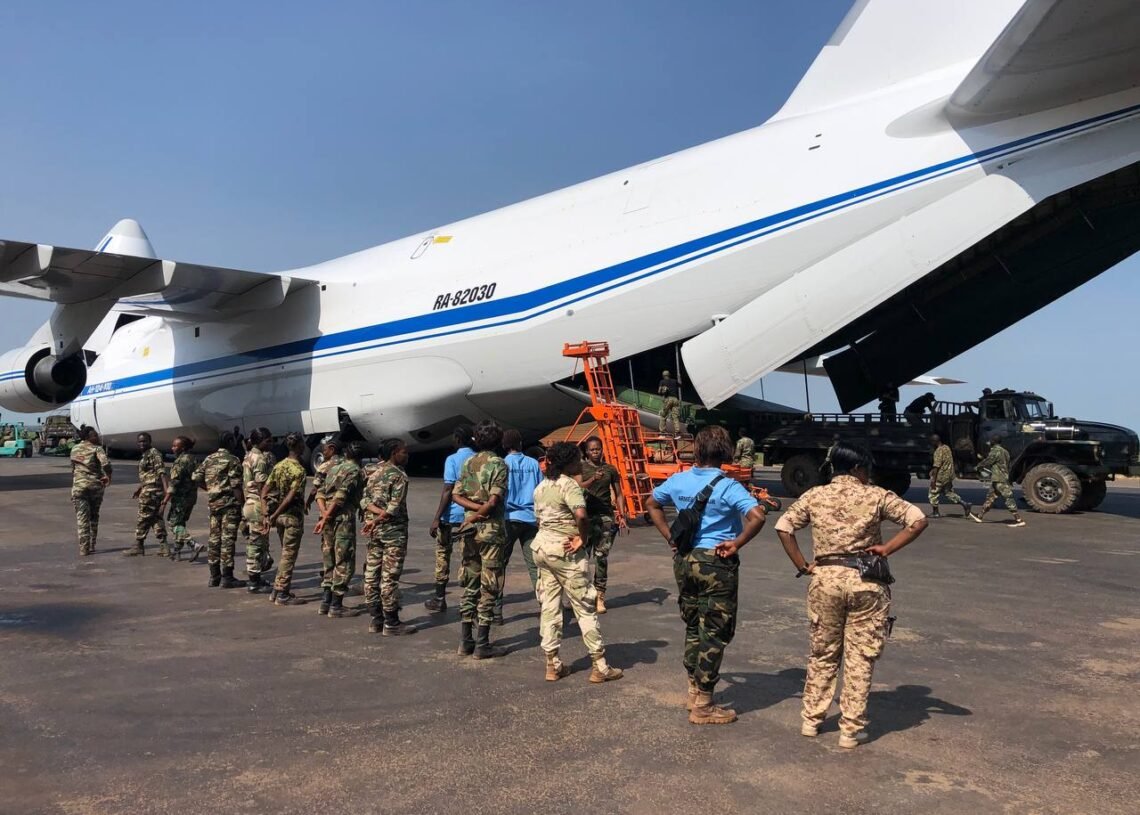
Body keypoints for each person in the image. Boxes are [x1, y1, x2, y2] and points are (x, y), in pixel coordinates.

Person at [774, 442, 929, 749]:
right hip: (866, 581)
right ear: (860, 468)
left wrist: (803, 565)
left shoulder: (815, 495)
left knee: (823, 653)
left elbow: (783, 527)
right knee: (860, 658)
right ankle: (850, 730)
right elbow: (918, 520)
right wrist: (886, 549)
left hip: (825, 581)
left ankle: (811, 720)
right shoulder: (876, 495)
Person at [646, 425, 767, 725]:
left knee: (693, 624)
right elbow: (757, 516)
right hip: (716, 562)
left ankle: (693, 688)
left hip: (685, 560)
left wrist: (669, 537)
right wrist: (736, 543)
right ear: (726, 453)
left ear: (697, 451)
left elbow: (652, 503)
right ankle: (704, 703)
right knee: (715, 630)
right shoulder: (729, 486)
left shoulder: (678, 480)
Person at [531, 442, 624, 683]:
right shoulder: (569, 485)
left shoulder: (542, 487)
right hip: (565, 552)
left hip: (542, 549)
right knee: (584, 606)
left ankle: (552, 663)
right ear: (568, 462)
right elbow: (581, 515)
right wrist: (581, 539)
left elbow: (539, 520)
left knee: (550, 606)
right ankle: (599, 665)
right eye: (576, 459)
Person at [451, 420, 509, 659]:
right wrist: (480, 512)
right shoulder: (499, 464)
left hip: (468, 531)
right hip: (490, 530)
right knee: (490, 583)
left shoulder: (468, 462)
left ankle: (465, 641)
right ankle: (483, 643)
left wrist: (471, 514)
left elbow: (455, 495)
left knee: (470, 582)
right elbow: (494, 501)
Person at [361, 438, 417, 635]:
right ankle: (391, 622)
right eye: (404, 452)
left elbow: (364, 501)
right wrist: (377, 519)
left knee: (371, 575)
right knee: (389, 577)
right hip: (393, 533)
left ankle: (376, 618)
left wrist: (373, 517)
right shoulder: (399, 476)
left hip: (375, 533)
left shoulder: (373, 473)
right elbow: (394, 507)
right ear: (394, 452)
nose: (407, 455)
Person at [425, 425, 476, 613]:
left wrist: (436, 517)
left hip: (450, 516)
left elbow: (448, 489)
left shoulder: (452, 459)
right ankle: (469, 599)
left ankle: (440, 597)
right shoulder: (476, 459)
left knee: (442, 554)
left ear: (457, 439)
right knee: (468, 556)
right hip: (470, 516)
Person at [314, 441, 365, 618]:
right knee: (344, 559)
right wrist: (328, 516)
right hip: (342, 519)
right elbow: (341, 496)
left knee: (329, 558)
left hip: (327, 518)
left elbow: (319, 493)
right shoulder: (354, 471)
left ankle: (325, 601)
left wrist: (323, 515)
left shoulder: (334, 468)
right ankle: (336, 604)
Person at [498, 429, 542, 622]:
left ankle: (496, 611)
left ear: (505, 445)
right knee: (534, 566)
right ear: (521, 444)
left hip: (508, 518)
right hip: (530, 518)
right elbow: (540, 491)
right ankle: (545, 604)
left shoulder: (503, 464)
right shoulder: (533, 464)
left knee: (499, 565)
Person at [192, 432, 245, 588]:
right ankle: (227, 577)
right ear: (229, 442)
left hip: (214, 504)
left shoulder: (209, 458)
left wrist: (211, 489)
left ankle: (214, 576)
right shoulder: (233, 460)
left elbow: (195, 478)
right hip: (229, 505)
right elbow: (236, 485)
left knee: (214, 539)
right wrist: (242, 504)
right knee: (228, 540)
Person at [262, 432, 309, 604]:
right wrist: (273, 514)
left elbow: (264, 491)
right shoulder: (299, 470)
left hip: (280, 518)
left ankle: (277, 589)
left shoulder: (279, 466)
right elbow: (290, 497)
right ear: (298, 446)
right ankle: (282, 593)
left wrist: (267, 513)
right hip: (291, 518)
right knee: (289, 556)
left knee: (285, 553)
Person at [578, 436, 623, 614]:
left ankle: (600, 596)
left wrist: (621, 513)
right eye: (592, 450)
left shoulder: (610, 469)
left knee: (601, 557)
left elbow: (619, 493)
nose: (595, 452)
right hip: (585, 518)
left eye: (598, 449)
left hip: (605, 517)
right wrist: (593, 480)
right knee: (582, 558)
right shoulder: (581, 468)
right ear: (586, 452)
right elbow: (577, 487)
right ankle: (580, 594)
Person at [240, 427, 276, 593]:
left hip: (249, 502)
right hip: (257, 504)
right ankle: (254, 581)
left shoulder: (248, 455)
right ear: (260, 441)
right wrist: (266, 510)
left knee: (258, 542)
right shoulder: (260, 459)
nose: (270, 443)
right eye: (268, 440)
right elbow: (263, 488)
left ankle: (257, 577)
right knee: (256, 543)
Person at [70, 426, 112, 557]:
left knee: (82, 518)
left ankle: (84, 548)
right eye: (95, 435)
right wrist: (108, 476)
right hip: (95, 487)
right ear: (88, 437)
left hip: (79, 488)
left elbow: (73, 467)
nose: (97, 437)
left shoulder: (74, 449)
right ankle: (92, 544)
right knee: (94, 516)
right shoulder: (97, 449)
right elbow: (105, 464)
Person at [127, 432, 169, 557]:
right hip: (148, 489)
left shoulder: (154, 453)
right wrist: (140, 488)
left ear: (150, 442)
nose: (141, 444)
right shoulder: (145, 455)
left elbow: (161, 472)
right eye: (139, 441)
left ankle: (138, 545)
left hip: (152, 492)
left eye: (144, 441)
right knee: (155, 518)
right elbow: (149, 475)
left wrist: (167, 491)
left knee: (143, 518)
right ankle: (164, 546)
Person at [162, 435, 204, 562]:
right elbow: (198, 478)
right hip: (191, 497)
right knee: (180, 523)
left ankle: (193, 545)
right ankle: (177, 551)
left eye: (175, 446)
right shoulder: (193, 459)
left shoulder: (180, 461)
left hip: (181, 498)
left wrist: (164, 501)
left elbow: (174, 482)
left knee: (172, 522)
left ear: (183, 447)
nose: (172, 448)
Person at [972, 435, 1026, 527]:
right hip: (1000, 478)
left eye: (990, 441)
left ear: (993, 441)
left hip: (1000, 479)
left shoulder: (995, 451)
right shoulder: (1005, 452)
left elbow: (988, 461)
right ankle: (980, 516)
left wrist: (978, 466)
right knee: (990, 497)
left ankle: (1018, 520)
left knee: (1008, 498)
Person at [928, 434, 973, 518]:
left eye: (932, 442)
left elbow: (937, 466)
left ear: (934, 442)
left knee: (933, 493)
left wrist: (933, 480)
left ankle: (935, 512)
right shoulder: (946, 447)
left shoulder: (938, 451)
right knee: (948, 492)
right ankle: (965, 504)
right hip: (949, 475)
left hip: (941, 476)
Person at [658, 369, 682, 435]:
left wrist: (663, 390)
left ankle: (662, 431)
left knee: (663, 415)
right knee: (675, 416)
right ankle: (677, 431)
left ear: (663, 375)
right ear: (669, 375)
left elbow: (659, 391)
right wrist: (679, 378)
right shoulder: (674, 381)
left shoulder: (662, 381)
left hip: (668, 399)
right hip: (675, 400)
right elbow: (680, 385)